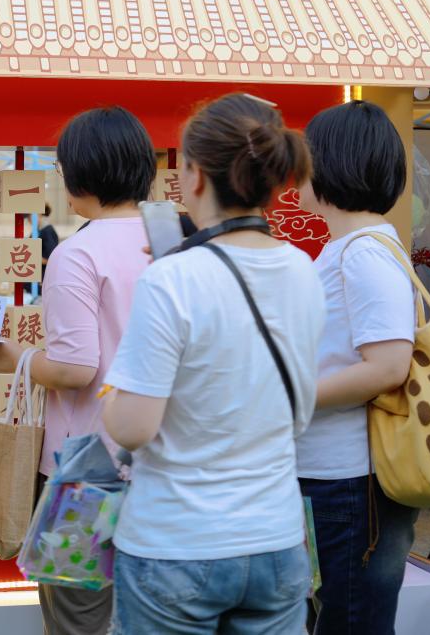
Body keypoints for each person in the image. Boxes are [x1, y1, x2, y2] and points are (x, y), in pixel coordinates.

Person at [102, 93, 325, 633]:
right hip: (276, 540)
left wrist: (111, 395)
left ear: (196, 175)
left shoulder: (171, 278)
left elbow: (132, 428)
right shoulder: (302, 269)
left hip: (176, 543)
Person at [0, 106, 155, 634]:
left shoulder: (77, 254)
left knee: (78, 620)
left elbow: (77, 368)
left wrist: (16, 359)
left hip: (85, 473)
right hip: (165, 465)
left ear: (81, 173)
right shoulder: (174, 245)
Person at [297, 100, 419, 635]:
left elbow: (388, 365)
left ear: (332, 163)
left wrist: (290, 395)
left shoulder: (362, 254)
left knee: (351, 621)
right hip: (341, 477)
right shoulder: (350, 248)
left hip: (353, 481)